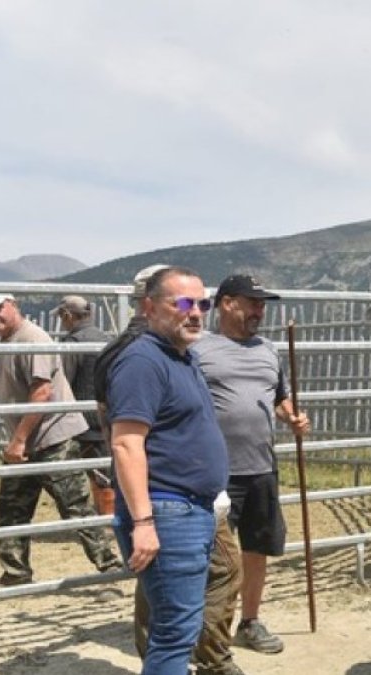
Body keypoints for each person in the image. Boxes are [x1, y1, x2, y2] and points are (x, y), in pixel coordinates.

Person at [98, 265, 247, 675]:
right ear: (149, 307)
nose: (195, 312)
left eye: (202, 303)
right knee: (175, 632)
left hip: (192, 508)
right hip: (168, 511)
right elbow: (126, 443)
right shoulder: (142, 361)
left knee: (182, 623)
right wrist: (143, 521)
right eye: (182, 302)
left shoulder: (182, 356)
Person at [0, 294, 122, 587]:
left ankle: (111, 568)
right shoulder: (10, 341)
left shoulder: (31, 339)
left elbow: (42, 393)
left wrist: (17, 441)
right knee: (11, 509)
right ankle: (16, 573)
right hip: (29, 442)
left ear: (12, 305)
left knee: (76, 508)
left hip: (53, 439)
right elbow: (11, 388)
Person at [192, 274, 309, 655]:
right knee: (208, 555)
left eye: (262, 304)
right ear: (226, 303)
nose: (260, 310)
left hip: (260, 466)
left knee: (256, 548)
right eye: (252, 302)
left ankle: (250, 621)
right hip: (213, 471)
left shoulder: (269, 350)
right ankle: (204, 628)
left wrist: (292, 418)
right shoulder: (198, 348)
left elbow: (278, 399)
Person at [54, 294, 115, 515]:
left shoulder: (73, 343)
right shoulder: (108, 339)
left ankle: (105, 520)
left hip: (82, 421)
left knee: (95, 473)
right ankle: (108, 517)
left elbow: (62, 382)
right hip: (107, 414)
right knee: (105, 468)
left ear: (68, 315)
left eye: (62, 316)